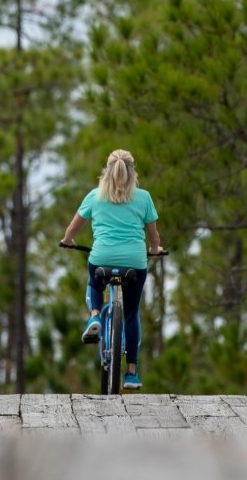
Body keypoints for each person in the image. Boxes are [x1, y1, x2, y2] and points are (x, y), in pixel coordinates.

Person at [60, 148, 163, 391]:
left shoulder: (95, 196)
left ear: (107, 171)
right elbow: (153, 235)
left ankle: (95, 315)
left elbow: (72, 229)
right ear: (132, 172)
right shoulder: (144, 198)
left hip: (102, 257)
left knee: (94, 281)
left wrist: (68, 241)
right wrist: (156, 248)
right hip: (135, 263)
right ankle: (132, 373)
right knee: (131, 313)